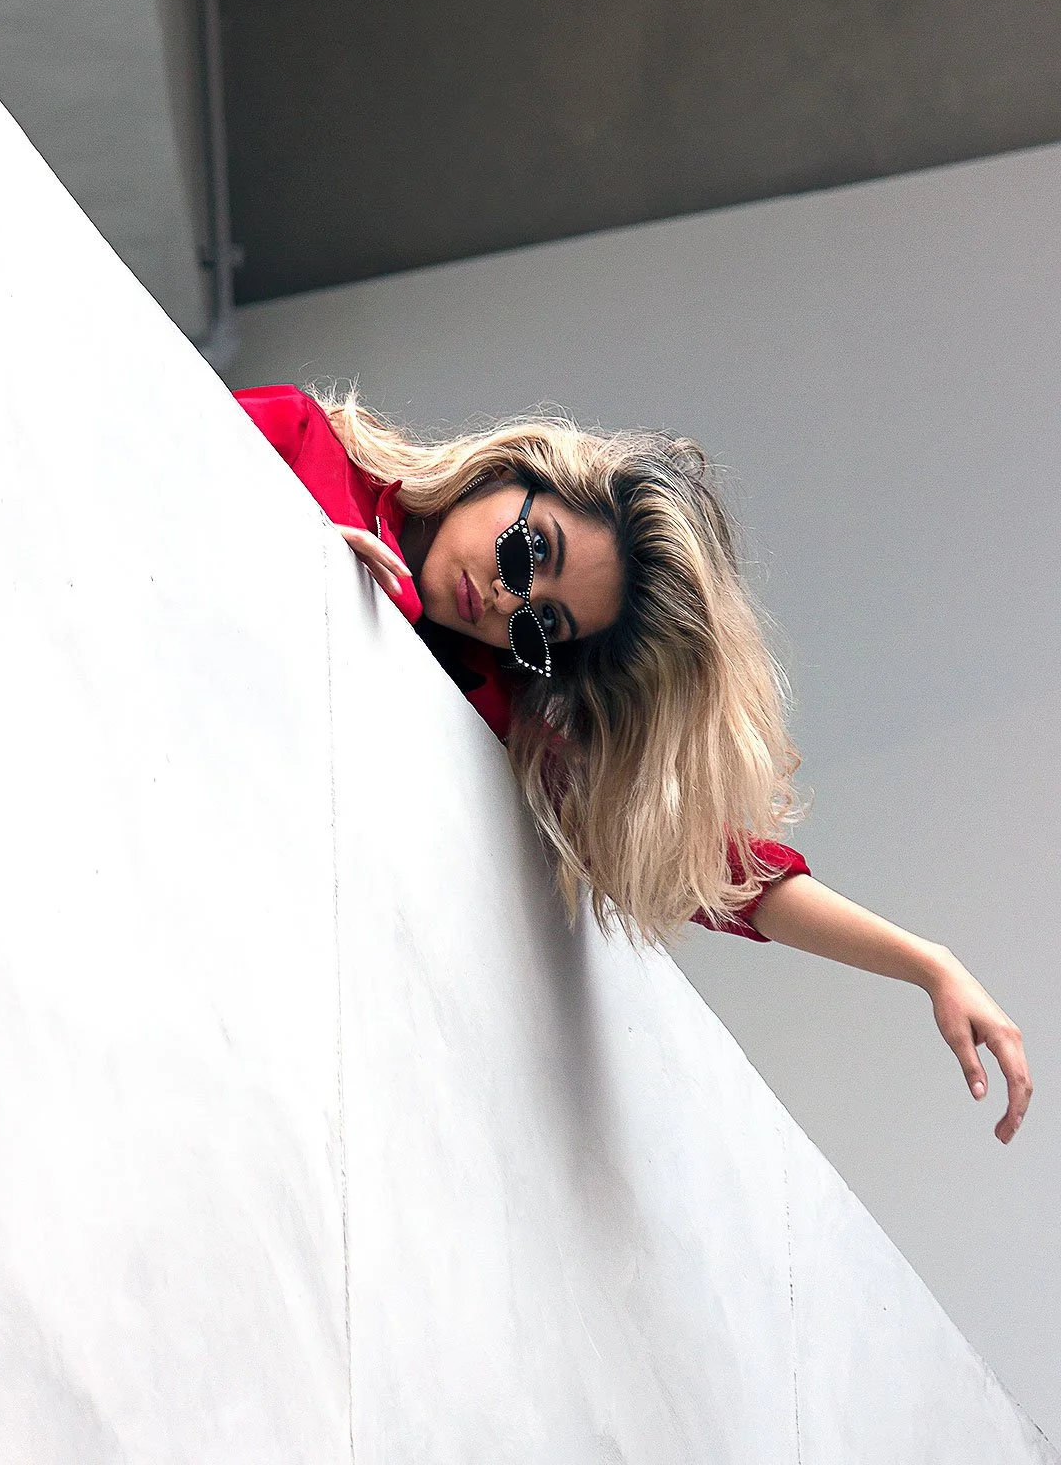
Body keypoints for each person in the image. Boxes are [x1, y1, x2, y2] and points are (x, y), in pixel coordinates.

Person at [234, 381, 1033, 1145]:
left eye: (545, 624)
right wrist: (291, 548)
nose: (509, 599)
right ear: (508, 474)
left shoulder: (491, 719)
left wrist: (927, 965)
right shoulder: (301, 442)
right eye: (529, 550)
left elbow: (720, 873)